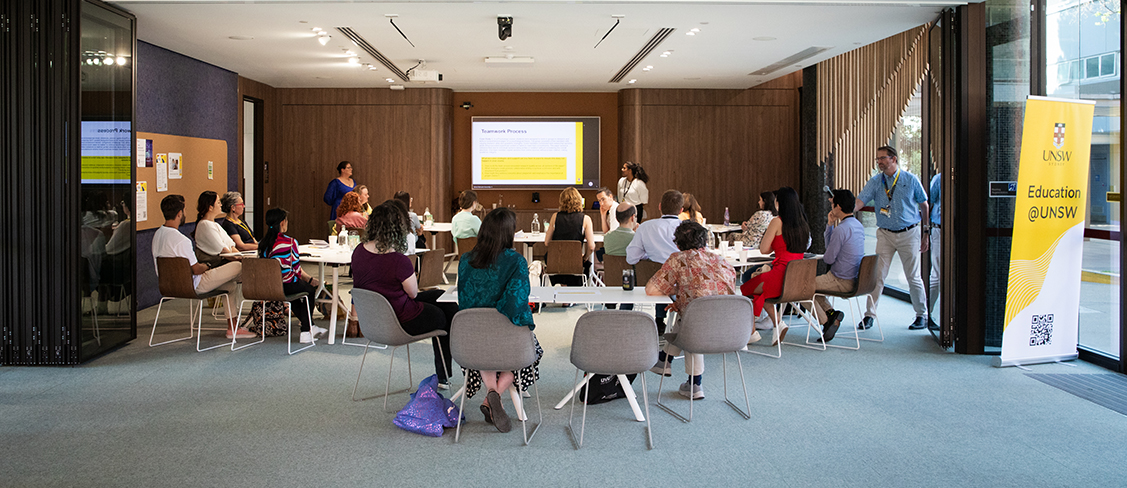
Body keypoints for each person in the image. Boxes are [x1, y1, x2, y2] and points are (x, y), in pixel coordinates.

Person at [353, 200, 457, 386]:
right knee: (443, 316)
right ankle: (449, 371)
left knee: (441, 296)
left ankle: (449, 370)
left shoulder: (358, 252)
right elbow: (413, 293)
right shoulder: (397, 260)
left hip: (374, 319)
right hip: (400, 320)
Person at [457, 207, 542, 434]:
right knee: (531, 350)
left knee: (485, 345)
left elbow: (464, 302)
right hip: (509, 345)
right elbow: (515, 304)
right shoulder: (516, 262)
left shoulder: (466, 260)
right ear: (509, 234)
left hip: (472, 345)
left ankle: (490, 392)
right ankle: (492, 396)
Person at [646, 220, 737, 400]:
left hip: (698, 329)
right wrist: (684, 297)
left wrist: (678, 292)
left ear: (678, 244)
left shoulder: (678, 259)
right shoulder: (722, 261)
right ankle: (664, 361)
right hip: (731, 329)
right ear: (705, 242)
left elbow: (652, 289)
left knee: (692, 321)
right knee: (689, 317)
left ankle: (694, 382)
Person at [152, 194, 254, 339]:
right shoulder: (182, 240)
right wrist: (207, 265)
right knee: (238, 267)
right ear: (180, 213)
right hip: (193, 284)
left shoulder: (157, 235)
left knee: (230, 286)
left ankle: (233, 328)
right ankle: (264, 293)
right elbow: (196, 269)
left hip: (168, 285)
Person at [855, 146, 930, 330]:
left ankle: (922, 315)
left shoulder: (910, 180)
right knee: (878, 276)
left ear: (893, 159)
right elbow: (860, 201)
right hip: (885, 234)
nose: (879, 162)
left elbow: (924, 205)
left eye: (882, 158)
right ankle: (869, 315)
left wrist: (925, 232)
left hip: (909, 233)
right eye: (878, 159)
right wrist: (844, 211)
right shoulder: (875, 182)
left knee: (913, 277)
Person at [740, 187, 810, 345]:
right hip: (796, 278)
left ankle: (758, 330)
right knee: (760, 290)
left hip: (779, 274)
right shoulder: (803, 223)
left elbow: (764, 249)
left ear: (780, 203)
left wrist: (775, 244)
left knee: (746, 289)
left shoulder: (777, 222)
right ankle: (774, 325)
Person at [258, 208, 327, 343]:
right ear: (283, 222)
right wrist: (310, 280)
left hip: (269, 287)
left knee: (295, 298)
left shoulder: (262, 244)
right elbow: (296, 270)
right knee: (309, 291)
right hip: (287, 284)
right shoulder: (290, 242)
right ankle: (306, 331)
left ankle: (311, 327)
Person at [626, 189, 684, 333]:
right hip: (682, 283)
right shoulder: (688, 228)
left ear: (659, 206)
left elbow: (631, 257)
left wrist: (648, 256)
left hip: (652, 282)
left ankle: (659, 320)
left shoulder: (645, 227)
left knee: (660, 272)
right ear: (681, 210)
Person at [811, 189, 865, 342]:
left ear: (838, 207)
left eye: (833, 204)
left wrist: (830, 227)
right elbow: (831, 253)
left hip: (840, 280)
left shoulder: (841, 230)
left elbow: (828, 258)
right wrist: (830, 225)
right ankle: (831, 314)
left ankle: (826, 321)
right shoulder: (857, 226)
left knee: (801, 288)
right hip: (856, 280)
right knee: (814, 288)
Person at [543, 187, 595, 286]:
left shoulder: (555, 217)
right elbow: (591, 246)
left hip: (556, 262)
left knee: (554, 260)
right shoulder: (586, 219)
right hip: (575, 262)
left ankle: (562, 288)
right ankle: (570, 294)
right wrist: (585, 257)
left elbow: (547, 242)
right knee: (582, 264)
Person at [601, 204, 639, 310]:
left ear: (616, 218)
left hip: (611, 279)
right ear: (633, 217)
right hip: (632, 281)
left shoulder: (607, 237)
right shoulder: (636, 238)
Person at [193, 191, 243, 269]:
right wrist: (240, 259)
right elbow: (224, 251)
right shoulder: (205, 225)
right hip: (214, 266)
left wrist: (241, 257)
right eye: (218, 202)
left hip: (223, 263)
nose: (221, 205)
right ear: (210, 207)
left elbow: (231, 246)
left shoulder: (215, 225)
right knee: (240, 267)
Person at [928, 172, 942, 330]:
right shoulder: (939, 179)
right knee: (937, 274)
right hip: (939, 228)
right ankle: (928, 315)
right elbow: (928, 201)